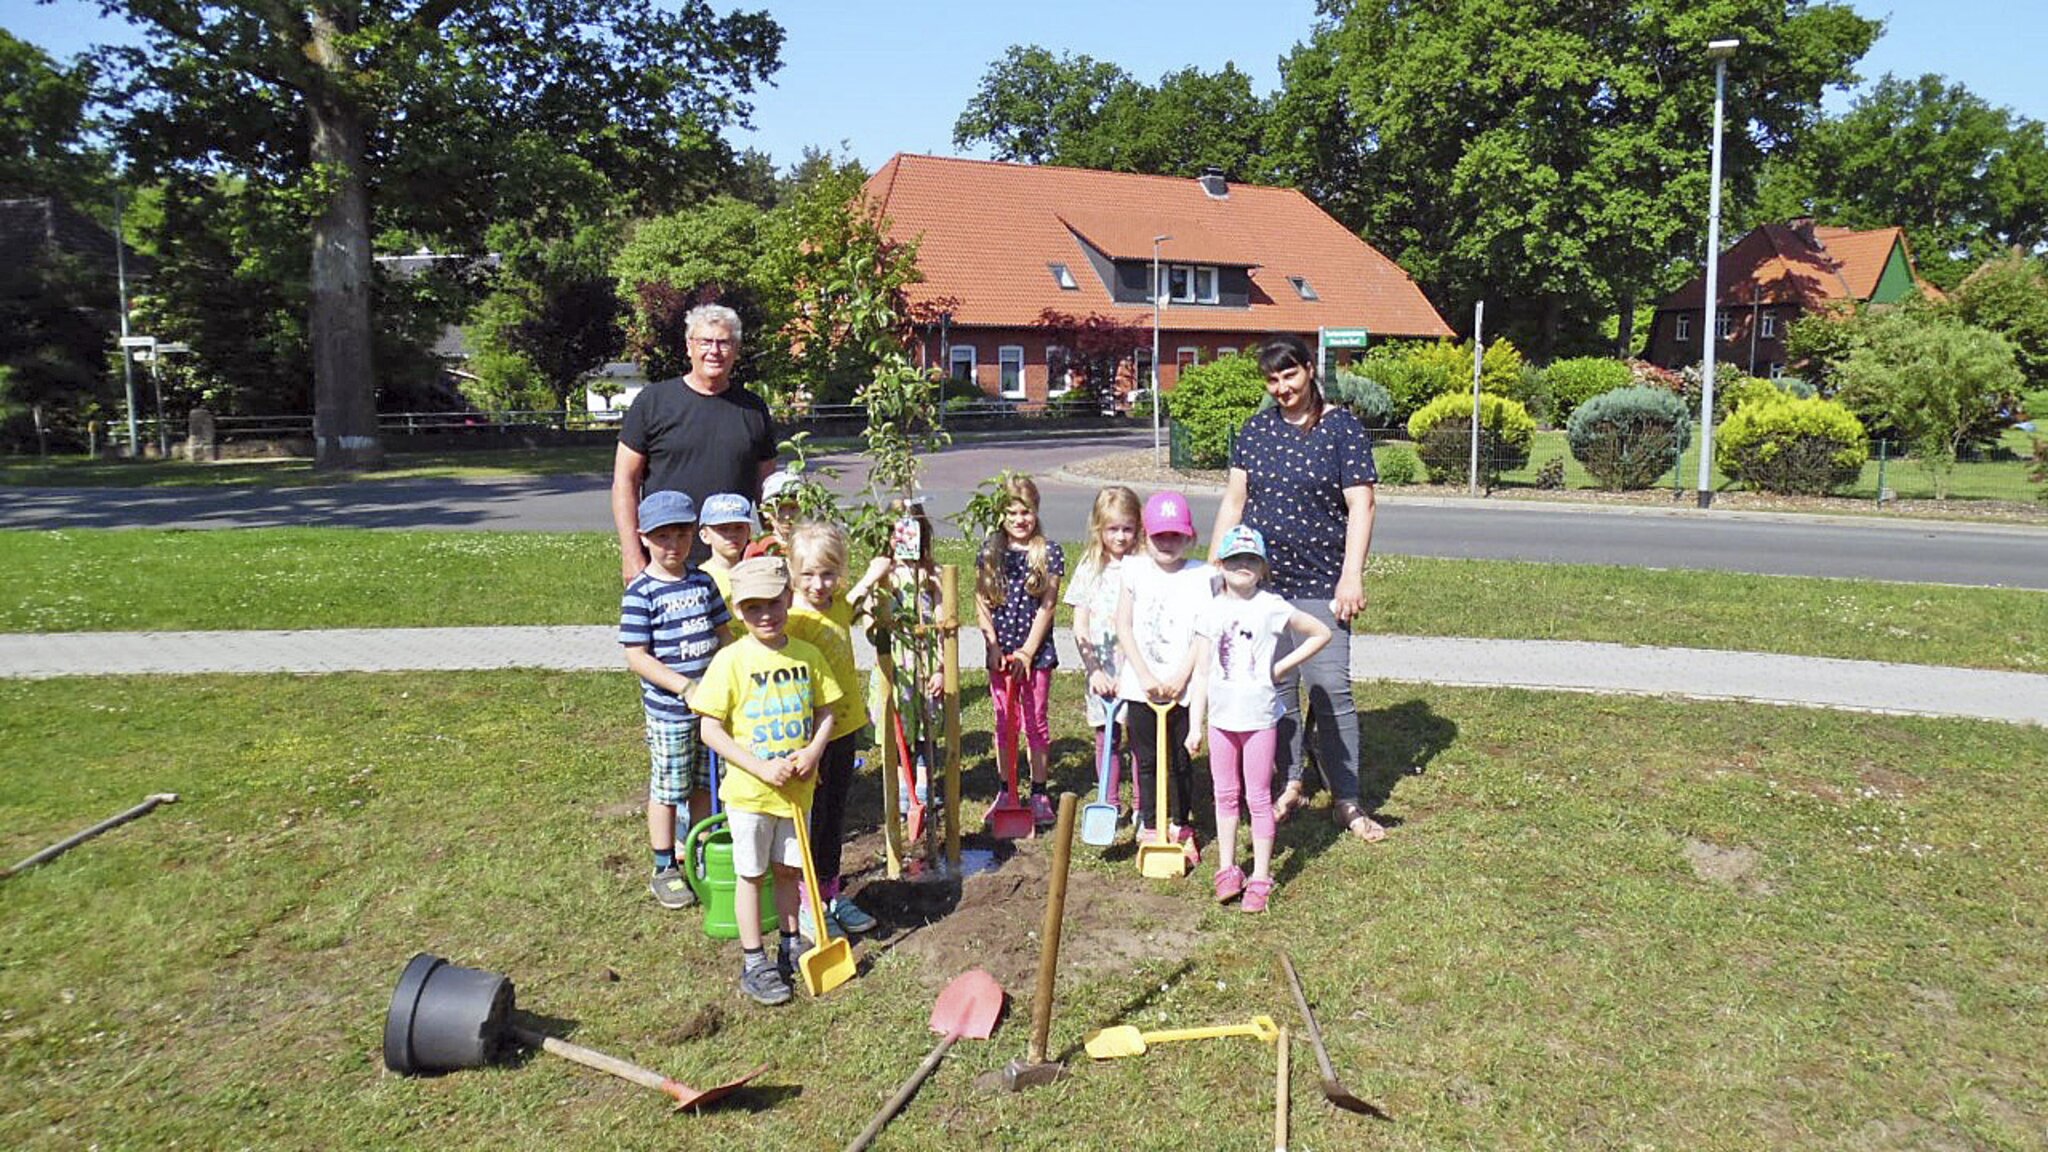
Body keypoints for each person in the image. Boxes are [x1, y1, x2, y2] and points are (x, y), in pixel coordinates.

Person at [1207, 333, 1385, 842]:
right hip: (1261, 584)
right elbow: (1234, 502)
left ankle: (1347, 798)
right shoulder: (1256, 430)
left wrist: (1352, 575)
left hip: (1322, 581)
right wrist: (1214, 568)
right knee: (1274, 688)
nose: (1282, 387)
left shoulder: (1341, 429)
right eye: (1273, 379)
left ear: (1309, 370)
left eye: (1290, 375)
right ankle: (1288, 781)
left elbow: (1362, 506)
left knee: (1330, 688)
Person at [690, 557, 842, 1006]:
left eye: (773, 604)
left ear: (787, 600)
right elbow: (710, 729)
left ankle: (791, 941)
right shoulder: (731, 661)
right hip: (750, 795)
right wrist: (759, 767)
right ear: (738, 610)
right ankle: (754, 959)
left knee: (789, 869)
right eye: (753, 608)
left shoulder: (807, 655)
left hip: (796, 792)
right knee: (751, 875)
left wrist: (813, 752)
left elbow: (828, 709)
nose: (766, 615)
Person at [1185, 526, 1332, 913]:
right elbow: (1201, 672)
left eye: (1251, 560)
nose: (1243, 567)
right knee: (1225, 795)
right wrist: (1193, 724)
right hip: (1220, 721)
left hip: (1260, 719)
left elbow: (1319, 633)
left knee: (1259, 798)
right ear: (1221, 565)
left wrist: (1281, 666)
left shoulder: (1271, 606)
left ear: (1263, 568)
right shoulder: (1211, 609)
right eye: (1235, 560)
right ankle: (1227, 868)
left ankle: (1262, 875)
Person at [618, 491, 733, 909]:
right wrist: (684, 687)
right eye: (663, 536)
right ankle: (664, 866)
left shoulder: (703, 582)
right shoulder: (641, 592)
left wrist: (727, 678)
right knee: (669, 788)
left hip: (711, 710)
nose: (673, 545)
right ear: (644, 538)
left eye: (681, 535)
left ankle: (699, 850)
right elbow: (636, 657)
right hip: (671, 713)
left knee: (705, 784)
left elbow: (723, 634)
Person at [612, 303, 778, 584]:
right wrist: (631, 553)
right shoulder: (653, 402)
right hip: (665, 560)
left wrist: (775, 548)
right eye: (705, 342)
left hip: (733, 561)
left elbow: (767, 489)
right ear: (689, 347)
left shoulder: (753, 409)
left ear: (735, 350)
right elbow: (624, 481)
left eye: (724, 342)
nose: (714, 351)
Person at [785, 521, 887, 941]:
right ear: (792, 572)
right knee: (813, 818)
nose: (818, 584)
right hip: (811, 737)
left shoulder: (837, 603)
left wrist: (874, 575)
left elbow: (853, 602)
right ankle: (806, 900)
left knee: (834, 817)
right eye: (808, 574)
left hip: (845, 729)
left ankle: (830, 892)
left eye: (827, 574)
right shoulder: (792, 619)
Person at [1115, 490, 1216, 854]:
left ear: (1190, 537)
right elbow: (1123, 625)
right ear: (1146, 536)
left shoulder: (1202, 576)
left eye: (1176, 535)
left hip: (1184, 686)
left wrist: (1181, 677)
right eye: (1160, 536)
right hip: (1141, 685)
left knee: (1181, 758)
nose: (1168, 543)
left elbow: (1204, 634)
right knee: (1147, 758)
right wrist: (1142, 675)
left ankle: (1182, 822)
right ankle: (1151, 822)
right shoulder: (1134, 569)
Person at [975, 474, 1066, 825]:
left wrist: (1028, 651)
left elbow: (1048, 605)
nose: (1019, 520)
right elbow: (981, 601)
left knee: (1035, 721)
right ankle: (1006, 788)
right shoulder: (989, 551)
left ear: (1036, 512)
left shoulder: (1049, 552)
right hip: (1001, 655)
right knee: (1004, 722)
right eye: (1011, 513)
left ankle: (1039, 791)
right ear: (1001, 515)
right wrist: (992, 645)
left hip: (1035, 655)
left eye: (1025, 512)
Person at [1064, 485, 1142, 812]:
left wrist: (1137, 671)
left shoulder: (1144, 566)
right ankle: (1108, 802)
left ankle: (1143, 805)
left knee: (1141, 739)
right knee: (1106, 737)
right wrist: (1094, 669)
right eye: (1113, 529)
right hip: (1102, 671)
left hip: (1137, 669)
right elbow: (1079, 624)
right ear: (1099, 528)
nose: (1121, 537)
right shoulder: (1090, 567)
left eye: (1128, 528)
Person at [697, 492, 756, 608]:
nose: (732, 534)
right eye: (723, 529)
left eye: (739, 528)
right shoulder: (700, 578)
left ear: (749, 532)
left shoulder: (756, 574)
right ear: (705, 535)